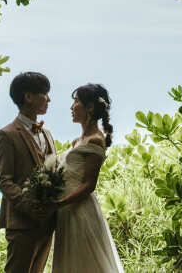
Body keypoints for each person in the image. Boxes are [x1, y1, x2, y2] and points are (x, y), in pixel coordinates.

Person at [52, 83, 124, 273]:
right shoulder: (77, 142)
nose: (71, 107)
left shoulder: (95, 140)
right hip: (67, 210)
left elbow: (89, 184)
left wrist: (59, 203)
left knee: (85, 263)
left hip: (80, 210)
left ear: (90, 107)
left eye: (76, 102)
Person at [0, 71, 58, 273]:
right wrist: (29, 205)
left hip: (47, 222)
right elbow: (4, 180)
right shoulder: (6, 134)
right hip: (21, 223)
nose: (48, 99)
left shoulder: (47, 134)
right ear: (28, 97)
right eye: (44, 93)